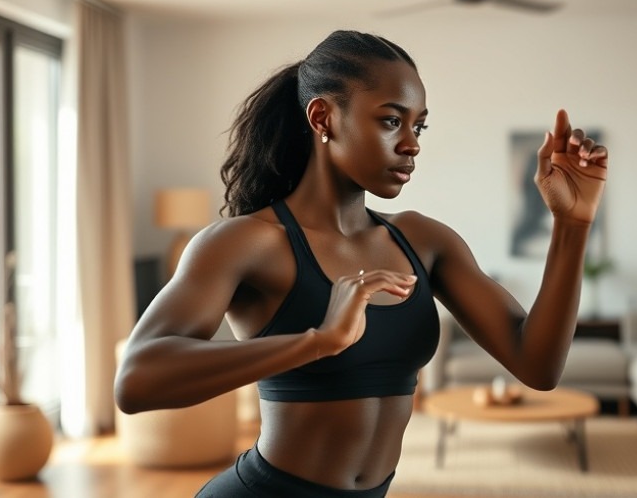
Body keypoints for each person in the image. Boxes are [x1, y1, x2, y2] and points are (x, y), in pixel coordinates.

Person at [114, 29, 608, 497]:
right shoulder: (247, 243)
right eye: (392, 120)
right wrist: (316, 342)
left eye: (419, 125)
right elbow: (137, 379)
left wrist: (572, 225)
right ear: (323, 118)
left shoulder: (424, 240)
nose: (412, 143)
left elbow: (538, 365)